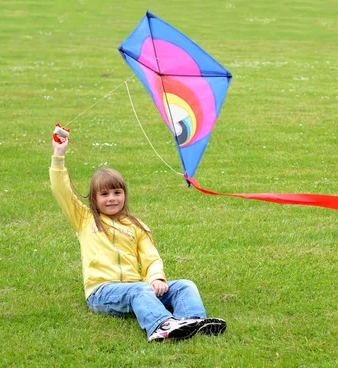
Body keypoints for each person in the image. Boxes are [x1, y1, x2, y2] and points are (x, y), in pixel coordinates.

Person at [50, 130, 226, 342]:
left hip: (140, 289)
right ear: (94, 199)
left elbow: (150, 257)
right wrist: (58, 154)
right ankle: (161, 326)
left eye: (117, 193)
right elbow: (62, 190)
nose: (112, 199)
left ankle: (192, 321)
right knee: (139, 289)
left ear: (124, 195)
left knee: (184, 285)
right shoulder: (84, 219)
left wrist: (156, 278)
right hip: (103, 292)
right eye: (104, 194)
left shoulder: (137, 226)